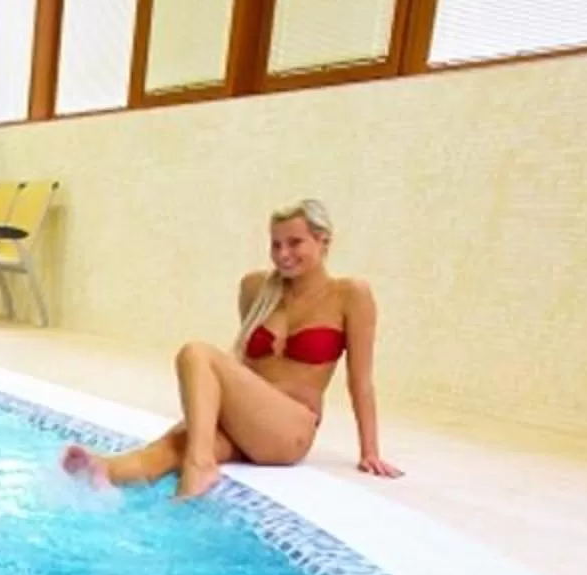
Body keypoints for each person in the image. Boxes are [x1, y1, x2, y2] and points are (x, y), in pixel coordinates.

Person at [62, 198, 402, 499]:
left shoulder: (350, 295)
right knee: (171, 447)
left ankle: (201, 463)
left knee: (196, 353)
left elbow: (361, 381)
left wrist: (369, 450)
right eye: (276, 244)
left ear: (323, 241)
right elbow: (246, 369)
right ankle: (105, 470)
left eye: (295, 243)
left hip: (290, 431)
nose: (283, 254)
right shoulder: (256, 288)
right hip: (247, 421)